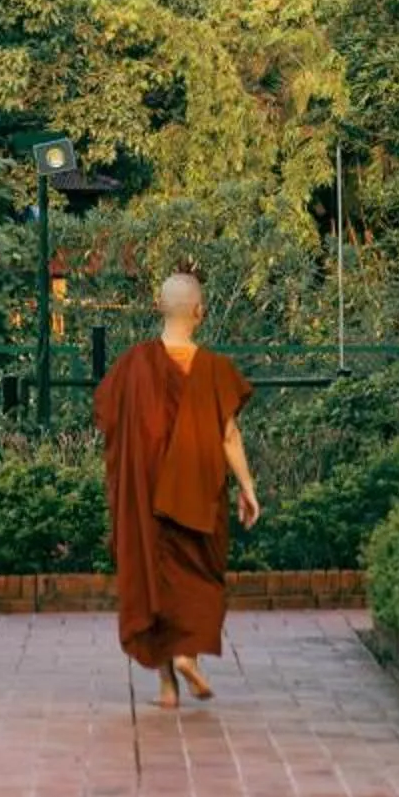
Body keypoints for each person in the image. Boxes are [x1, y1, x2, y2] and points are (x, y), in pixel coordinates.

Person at [93, 269, 258, 709]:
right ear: (200, 312)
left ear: (158, 307)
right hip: (197, 497)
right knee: (197, 580)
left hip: (146, 499)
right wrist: (247, 487)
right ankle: (187, 654)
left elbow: (110, 424)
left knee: (153, 582)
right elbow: (228, 436)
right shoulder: (215, 370)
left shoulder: (132, 366)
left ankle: (168, 688)